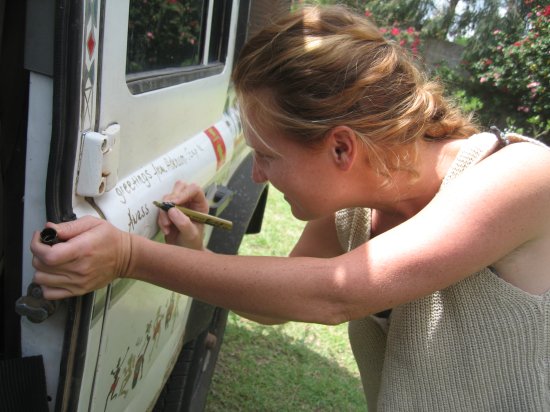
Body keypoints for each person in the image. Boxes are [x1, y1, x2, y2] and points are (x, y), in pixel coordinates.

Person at [31, 5, 550, 411]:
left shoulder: (520, 177)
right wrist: (194, 249)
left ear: (342, 148)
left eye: (268, 155)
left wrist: (130, 258)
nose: (256, 174)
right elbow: (280, 302)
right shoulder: (352, 205)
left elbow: (334, 296)